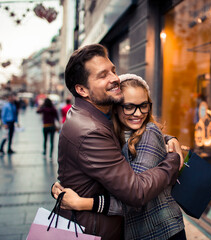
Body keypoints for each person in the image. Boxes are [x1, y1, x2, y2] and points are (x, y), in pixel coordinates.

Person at [51, 44, 182, 240]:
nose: (114, 78)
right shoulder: (92, 129)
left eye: (113, 70)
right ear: (82, 90)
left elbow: (140, 131)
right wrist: (173, 160)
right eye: (102, 75)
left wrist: (168, 141)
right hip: (96, 231)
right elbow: (136, 192)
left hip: (152, 230)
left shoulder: (90, 115)